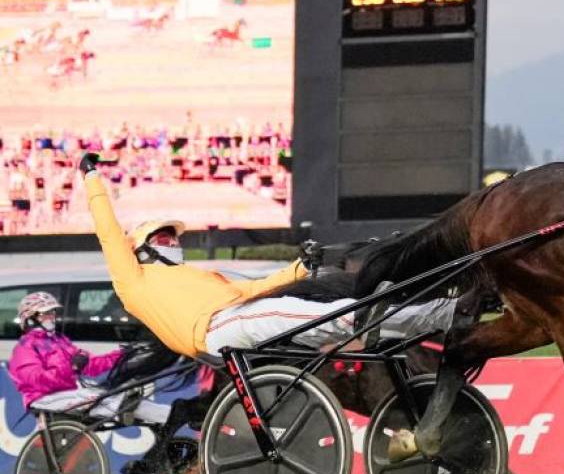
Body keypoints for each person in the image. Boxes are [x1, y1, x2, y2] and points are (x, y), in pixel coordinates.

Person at [79, 151, 456, 359]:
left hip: (241, 317)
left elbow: (257, 289)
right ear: (143, 251)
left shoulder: (202, 277)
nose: (173, 242)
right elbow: (110, 234)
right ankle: (370, 316)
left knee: (326, 311)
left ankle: (448, 314)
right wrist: (92, 178)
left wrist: (300, 268)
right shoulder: (134, 282)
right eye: (163, 238)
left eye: (172, 237)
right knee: (334, 315)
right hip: (216, 330)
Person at [8, 291, 125, 412]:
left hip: (65, 393)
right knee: (108, 401)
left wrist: (120, 355)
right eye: (45, 313)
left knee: (116, 397)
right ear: (30, 318)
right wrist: (71, 367)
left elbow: (90, 365)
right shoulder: (25, 347)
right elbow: (35, 381)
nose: (51, 317)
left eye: (52, 312)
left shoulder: (59, 340)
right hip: (42, 397)